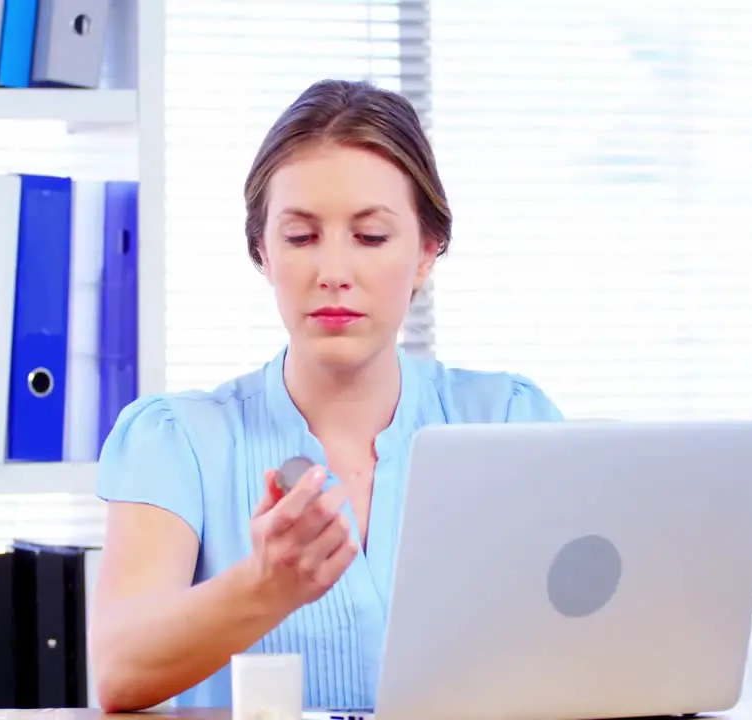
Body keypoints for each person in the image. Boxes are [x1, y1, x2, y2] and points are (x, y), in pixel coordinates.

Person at [89, 78, 563, 713]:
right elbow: (119, 671)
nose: (333, 271)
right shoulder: (177, 439)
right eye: (301, 237)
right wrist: (264, 587)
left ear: (426, 251)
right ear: (261, 250)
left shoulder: (509, 421)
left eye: (370, 237)